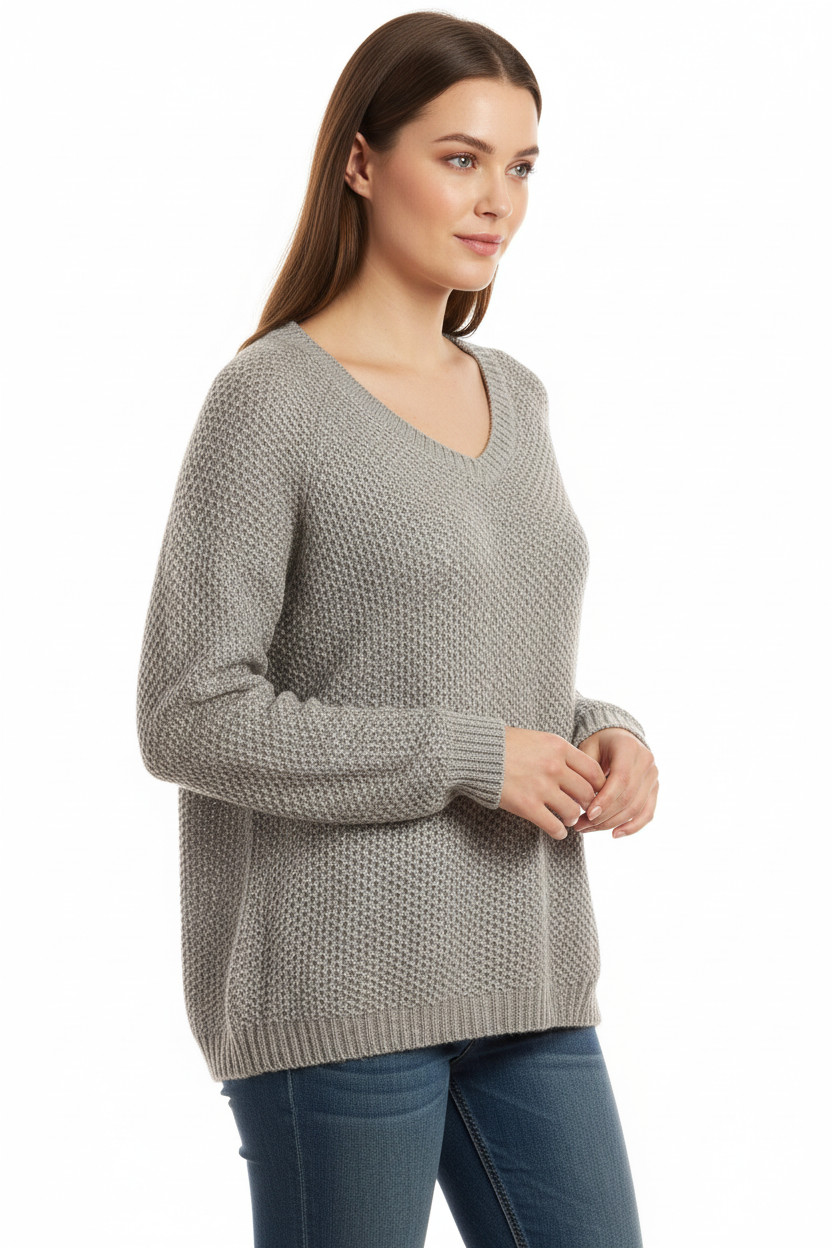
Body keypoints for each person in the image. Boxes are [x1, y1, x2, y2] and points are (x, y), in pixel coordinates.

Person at [136, 11, 659, 1247]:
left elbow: (480, 651)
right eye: (460, 158)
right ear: (362, 162)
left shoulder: (515, 395)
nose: (497, 201)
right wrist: (475, 758)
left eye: (520, 166)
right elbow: (187, 713)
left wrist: (604, 732)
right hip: (340, 989)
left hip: (528, 970)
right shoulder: (269, 399)